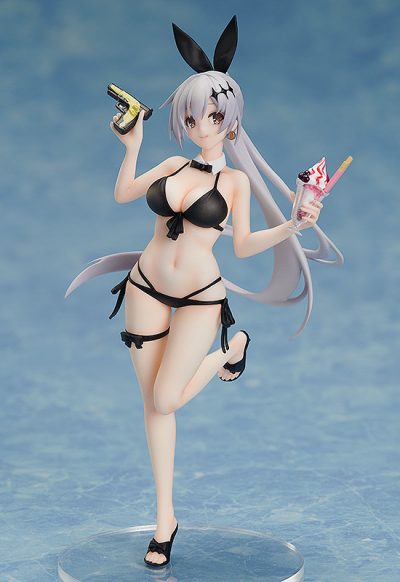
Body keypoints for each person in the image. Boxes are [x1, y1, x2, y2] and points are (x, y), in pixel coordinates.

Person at [66, 16, 342, 568]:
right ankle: (164, 520)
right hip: (144, 286)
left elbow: (242, 246)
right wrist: (132, 144)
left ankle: (229, 351)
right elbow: (124, 193)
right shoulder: (172, 164)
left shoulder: (234, 183)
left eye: (212, 116)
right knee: (153, 406)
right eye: (192, 116)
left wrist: (293, 226)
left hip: (199, 297)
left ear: (231, 120)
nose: (200, 124)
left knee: (167, 398)